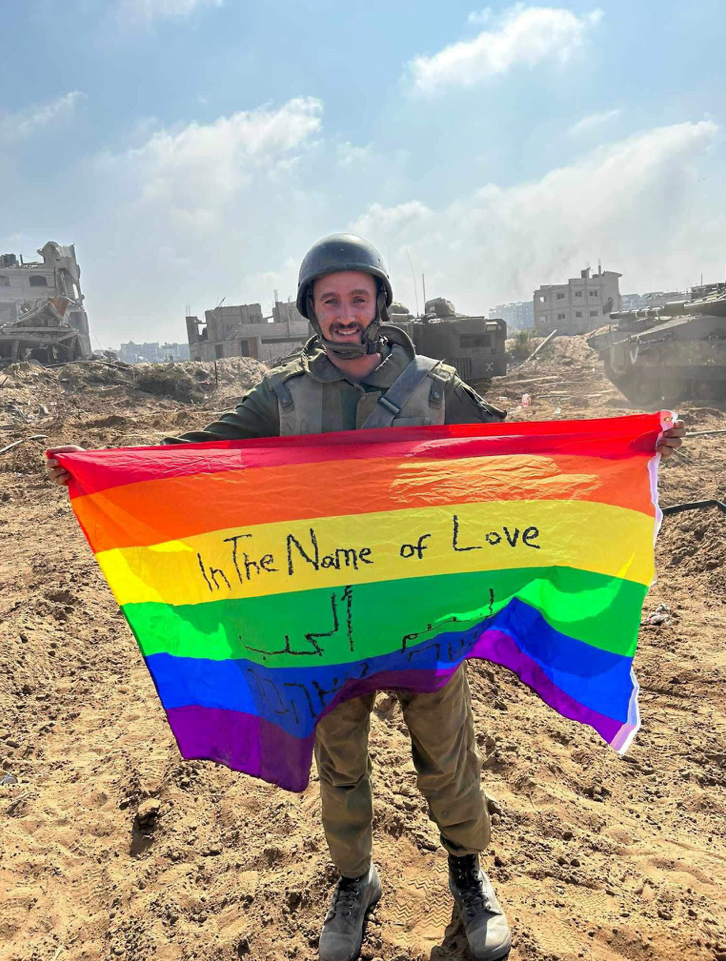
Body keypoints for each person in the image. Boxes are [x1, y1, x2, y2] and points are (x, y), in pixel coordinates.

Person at [46, 234, 686, 961]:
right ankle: (355, 879)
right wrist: (103, 469)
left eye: (357, 298)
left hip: (427, 617)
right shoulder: (281, 396)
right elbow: (201, 454)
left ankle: (469, 875)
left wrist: (626, 448)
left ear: (378, 302)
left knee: (447, 756)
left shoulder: (435, 386)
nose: (345, 314)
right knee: (342, 761)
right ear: (311, 310)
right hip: (324, 622)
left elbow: (518, 450)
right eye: (330, 300)